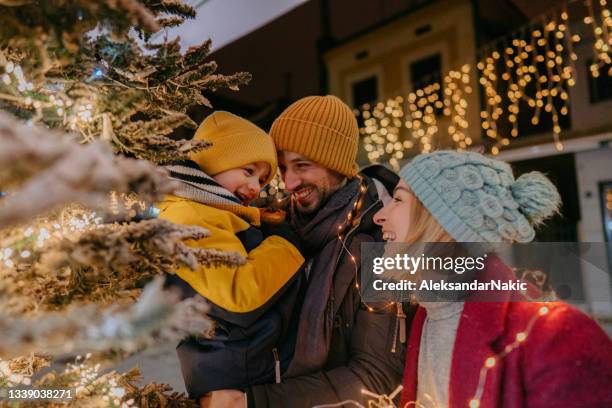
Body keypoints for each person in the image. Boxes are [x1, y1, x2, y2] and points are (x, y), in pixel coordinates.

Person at [206, 95, 412, 408]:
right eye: (283, 168)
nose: (288, 183)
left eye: (302, 165)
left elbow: (376, 377)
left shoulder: (381, 246)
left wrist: (254, 402)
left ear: (337, 164)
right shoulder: (277, 229)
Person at [373, 150, 612, 407]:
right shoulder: (425, 319)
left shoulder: (558, 337)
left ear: (444, 221)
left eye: (398, 199)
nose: (379, 216)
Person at [157, 111, 306, 401]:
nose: (255, 187)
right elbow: (237, 295)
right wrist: (286, 244)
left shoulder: (215, 214)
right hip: (235, 379)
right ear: (215, 163)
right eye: (248, 171)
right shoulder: (189, 215)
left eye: (262, 180)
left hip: (243, 372)